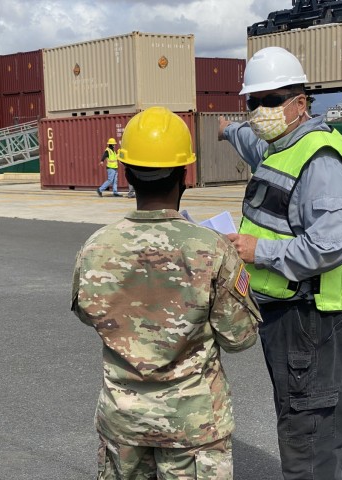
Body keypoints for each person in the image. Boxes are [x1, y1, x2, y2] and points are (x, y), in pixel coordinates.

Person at [71, 106, 261, 479]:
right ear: (184, 175)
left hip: (124, 422)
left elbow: (86, 313)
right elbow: (240, 337)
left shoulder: (95, 248)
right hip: (193, 426)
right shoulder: (212, 249)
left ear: (126, 173)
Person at [218, 47, 342, 480]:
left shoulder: (318, 159)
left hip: (311, 320)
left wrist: (257, 250)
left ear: (300, 103)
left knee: (309, 441)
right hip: (286, 317)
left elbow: (335, 243)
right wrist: (228, 130)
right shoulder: (278, 146)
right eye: (252, 102)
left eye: (271, 100)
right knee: (304, 426)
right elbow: (250, 141)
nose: (260, 111)